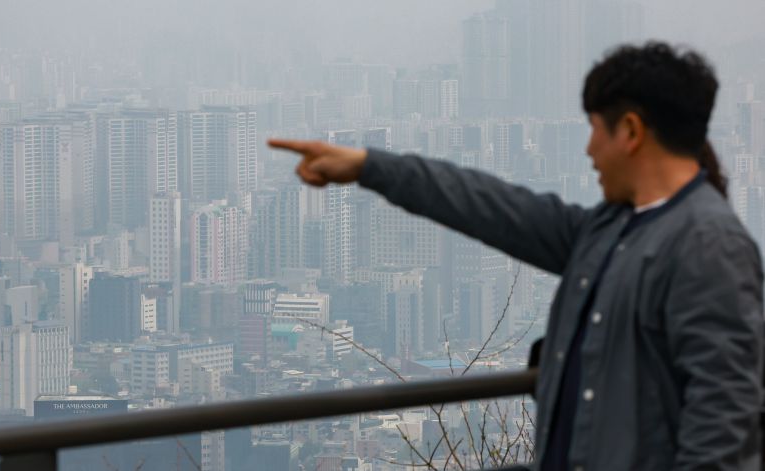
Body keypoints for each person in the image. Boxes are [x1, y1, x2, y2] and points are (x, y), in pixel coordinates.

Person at [269, 42, 764, 470]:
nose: (589, 150)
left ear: (631, 132)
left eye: (595, 129)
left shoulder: (707, 246)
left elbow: (722, 424)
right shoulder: (610, 231)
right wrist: (368, 167)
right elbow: (494, 208)